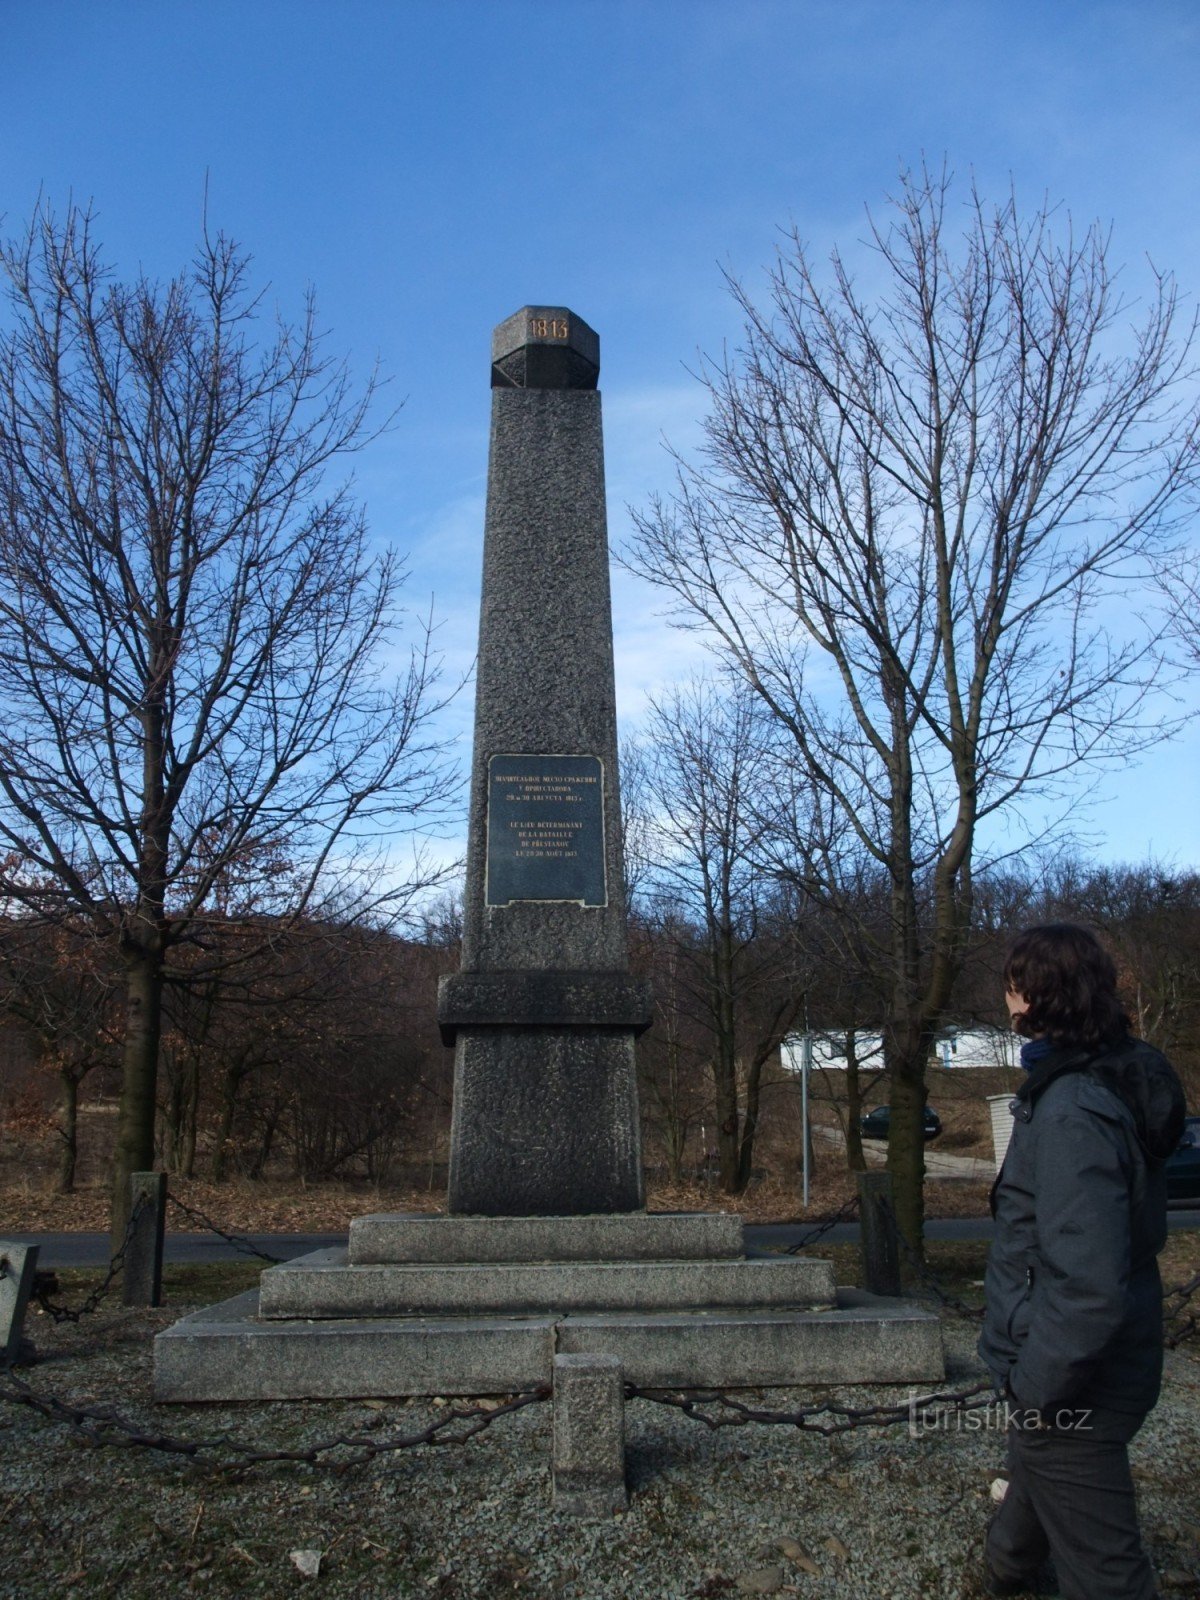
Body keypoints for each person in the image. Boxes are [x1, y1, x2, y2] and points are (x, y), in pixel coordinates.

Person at [979, 923, 1185, 1600]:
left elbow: (1087, 1285)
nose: (1005, 1004)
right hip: (1082, 1367)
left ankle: (1005, 1571)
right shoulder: (1093, 1079)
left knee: (1106, 1574)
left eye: (1011, 987)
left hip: (1077, 1384)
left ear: (1035, 997)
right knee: (1037, 1478)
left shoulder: (1073, 1107)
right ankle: (1004, 1571)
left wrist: (1037, 1387)